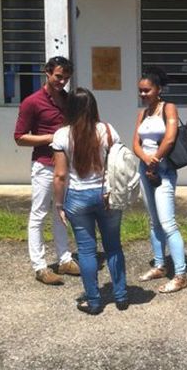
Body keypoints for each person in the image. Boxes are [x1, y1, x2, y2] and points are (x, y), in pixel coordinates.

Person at [52, 87, 127, 315]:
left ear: (70, 108)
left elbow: (60, 175)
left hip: (77, 198)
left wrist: (58, 204)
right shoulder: (107, 130)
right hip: (107, 196)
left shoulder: (62, 135)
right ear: (93, 106)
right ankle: (121, 296)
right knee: (113, 246)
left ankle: (94, 302)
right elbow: (118, 165)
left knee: (86, 251)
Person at [13, 56, 80, 285]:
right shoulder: (32, 102)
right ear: (48, 73)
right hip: (43, 164)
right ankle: (40, 267)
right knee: (39, 214)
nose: (62, 81)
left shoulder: (69, 100)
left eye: (66, 78)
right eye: (58, 76)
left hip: (67, 165)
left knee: (62, 213)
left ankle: (64, 259)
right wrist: (53, 137)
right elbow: (20, 137)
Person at [132, 67, 187, 293]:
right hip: (145, 169)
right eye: (141, 91)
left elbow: (171, 137)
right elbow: (135, 141)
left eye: (147, 90)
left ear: (158, 89)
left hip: (163, 170)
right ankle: (159, 265)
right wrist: (145, 159)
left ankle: (181, 274)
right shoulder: (142, 114)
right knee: (154, 221)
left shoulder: (169, 108)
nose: (143, 94)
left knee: (168, 223)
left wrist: (154, 159)